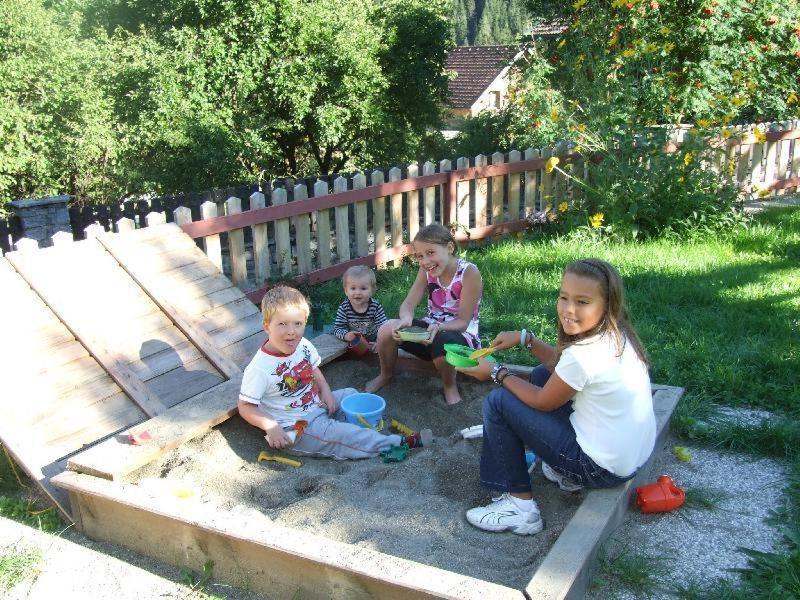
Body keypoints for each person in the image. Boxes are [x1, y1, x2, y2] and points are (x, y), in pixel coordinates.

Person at [457, 259, 655, 535]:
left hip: (598, 470)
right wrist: (527, 339)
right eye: (564, 297)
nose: (569, 309)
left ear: (607, 305)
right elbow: (561, 369)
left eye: (583, 302)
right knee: (540, 375)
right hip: (627, 459)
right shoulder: (617, 335)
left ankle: (520, 509)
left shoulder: (585, 354)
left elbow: (543, 402)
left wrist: (497, 372)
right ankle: (564, 474)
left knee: (498, 403)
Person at [238, 285, 431, 459]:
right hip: (296, 428)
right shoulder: (259, 368)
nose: (292, 332)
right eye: (282, 324)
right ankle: (396, 443)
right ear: (266, 326)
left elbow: (313, 369)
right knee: (342, 435)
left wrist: (326, 391)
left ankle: (364, 433)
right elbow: (245, 407)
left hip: (317, 405)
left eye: (298, 324)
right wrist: (270, 426)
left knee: (351, 395)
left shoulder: (302, 345)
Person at [365, 223, 483, 405]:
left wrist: (439, 327)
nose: (425, 261)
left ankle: (449, 386)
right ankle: (385, 375)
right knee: (387, 328)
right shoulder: (427, 271)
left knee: (442, 343)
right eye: (420, 256)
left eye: (430, 253)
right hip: (429, 332)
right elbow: (409, 303)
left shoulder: (468, 272)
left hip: (459, 338)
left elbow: (463, 322)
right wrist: (405, 319)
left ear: (450, 248)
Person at [332, 265, 387, 351]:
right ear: (346, 291)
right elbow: (338, 329)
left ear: (372, 291)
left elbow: (384, 328)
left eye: (363, 288)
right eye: (353, 288)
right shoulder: (344, 308)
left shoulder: (375, 307)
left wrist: (380, 341)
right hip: (354, 343)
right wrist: (346, 335)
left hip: (374, 342)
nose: (358, 292)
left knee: (386, 346)